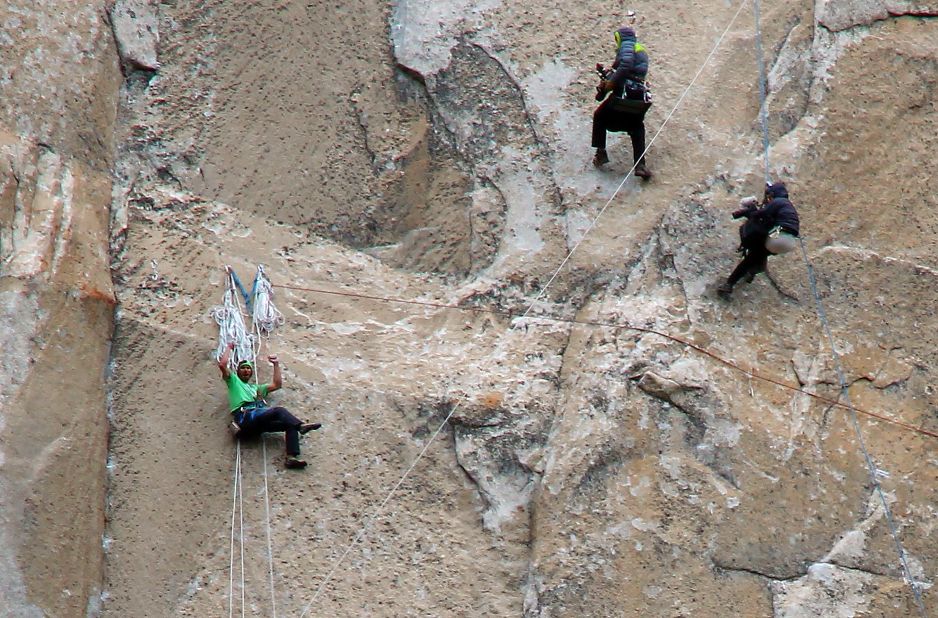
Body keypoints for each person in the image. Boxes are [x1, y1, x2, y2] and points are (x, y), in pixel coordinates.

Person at [218, 342, 320, 469]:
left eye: (248, 368)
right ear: (237, 371)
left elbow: (277, 384)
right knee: (279, 411)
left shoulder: (257, 389)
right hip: (245, 418)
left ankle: (291, 457)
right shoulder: (233, 381)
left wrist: (276, 364)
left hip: (256, 423)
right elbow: (222, 364)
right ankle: (301, 426)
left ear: (251, 373)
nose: (246, 370)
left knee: (289, 424)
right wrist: (229, 348)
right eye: (243, 368)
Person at [717, 182, 800, 298]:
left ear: (774, 194)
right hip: (790, 242)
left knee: (755, 248)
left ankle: (729, 284)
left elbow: (760, 214)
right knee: (760, 252)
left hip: (779, 234)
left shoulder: (778, 201)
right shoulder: (788, 206)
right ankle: (755, 268)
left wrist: (746, 212)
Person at [591, 26, 652, 179]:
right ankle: (640, 165)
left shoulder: (627, 47)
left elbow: (624, 67)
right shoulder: (640, 51)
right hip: (639, 97)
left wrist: (608, 86)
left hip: (625, 94)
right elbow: (622, 71)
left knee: (599, 116)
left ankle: (601, 153)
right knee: (637, 126)